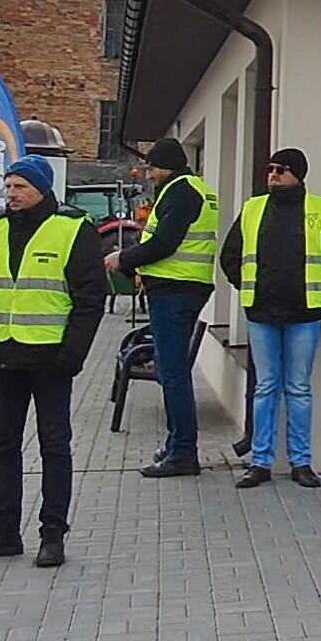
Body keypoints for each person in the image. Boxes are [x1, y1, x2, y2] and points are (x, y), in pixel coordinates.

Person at [0, 155, 105, 567]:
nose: (11, 194)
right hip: (1, 356)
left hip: (50, 359)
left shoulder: (72, 228)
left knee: (54, 446)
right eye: (8, 186)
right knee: (2, 445)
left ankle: (52, 533)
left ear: (41, 188)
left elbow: (91, 297)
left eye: (20, 186)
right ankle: (4, 531)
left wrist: (72, 355)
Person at [221, 147, 321, 488]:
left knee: (298, 389)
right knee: (265, 388)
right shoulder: (253, 208)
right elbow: (230, 256)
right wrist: (251, 289)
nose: (273, 174)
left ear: (298, 175)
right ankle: (260, 462)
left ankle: (301, 462)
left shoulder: (320, 209)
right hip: (262, 313)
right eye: (270, 168)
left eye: (281, 169)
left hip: (304, 315)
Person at [108, 137, 215, 478]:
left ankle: (182, 453)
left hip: (175, 290)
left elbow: (165, 243)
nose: (149, 174)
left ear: (167, 165)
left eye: (152, 167)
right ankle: (175, 445)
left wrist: (124, 258)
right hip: (183, 288)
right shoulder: (193, 188)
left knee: (172, 373)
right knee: (173, 371)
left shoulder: (181, 192)